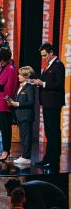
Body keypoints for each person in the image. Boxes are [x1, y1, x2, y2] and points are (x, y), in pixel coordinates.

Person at [34, 42, 65, 170]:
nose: (43, 58)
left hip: (54, 103)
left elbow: (59, 84)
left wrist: (43, 84)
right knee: (49, 132)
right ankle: (47, 158)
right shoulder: (49, 65)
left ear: (51, 52)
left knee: (54, 132)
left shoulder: (58, 65)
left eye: (45, 55)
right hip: (47, 103)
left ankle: (54, 160)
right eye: (42, 56)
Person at [6, 66, 37, 165]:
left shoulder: (30, 87)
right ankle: (24, 155)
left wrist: (18, 104)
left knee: (26, 137)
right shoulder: (21, 86)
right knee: (23, 137)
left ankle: (26, 157)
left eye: (20, 74)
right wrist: (11, 102)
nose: (18, 76)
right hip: (19, 115)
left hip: (26, 116)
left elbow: (31, 102)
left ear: (26, 76)